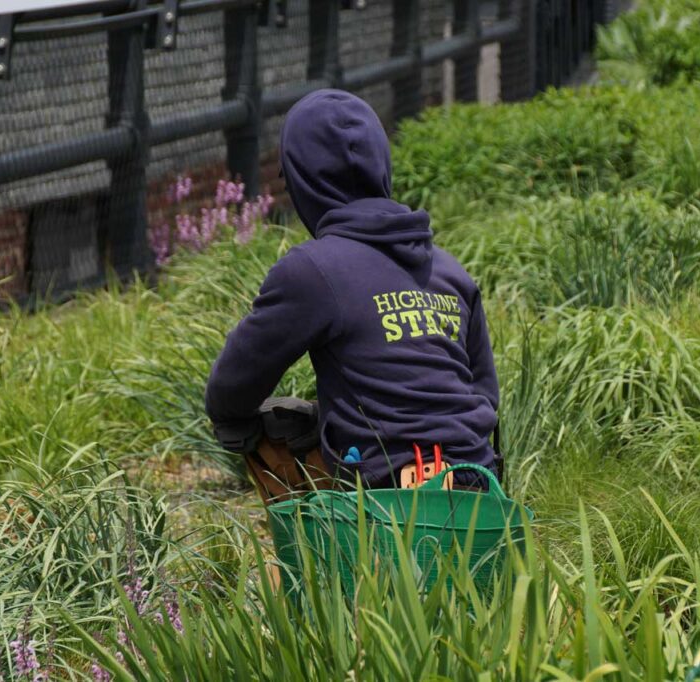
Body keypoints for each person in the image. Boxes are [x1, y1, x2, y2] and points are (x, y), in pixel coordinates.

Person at [204, 89, 499, 505]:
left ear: (305, 182)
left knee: (260, 425)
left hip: (389, 510)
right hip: (484, 494)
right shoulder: (450, 270)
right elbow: (485, 396)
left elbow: (230, 391)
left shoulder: (313, 270)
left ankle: (324, 560)